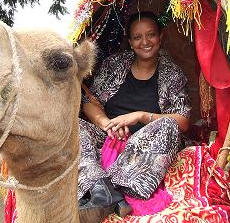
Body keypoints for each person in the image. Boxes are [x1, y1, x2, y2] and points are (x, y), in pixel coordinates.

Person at [78, 12, 191, 218]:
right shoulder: (115, 65)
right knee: (74, 125)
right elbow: (89, 101)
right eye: (137, 37)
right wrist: (107, 124)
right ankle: (99, 187)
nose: (145, 42)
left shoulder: (172, 74)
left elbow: (183, 121)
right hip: (108, 138)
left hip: (145, 150)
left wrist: (140, 115)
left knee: (168, 126)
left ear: (160, 37)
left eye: (151, 35)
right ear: (130, 42)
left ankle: (117, 188)